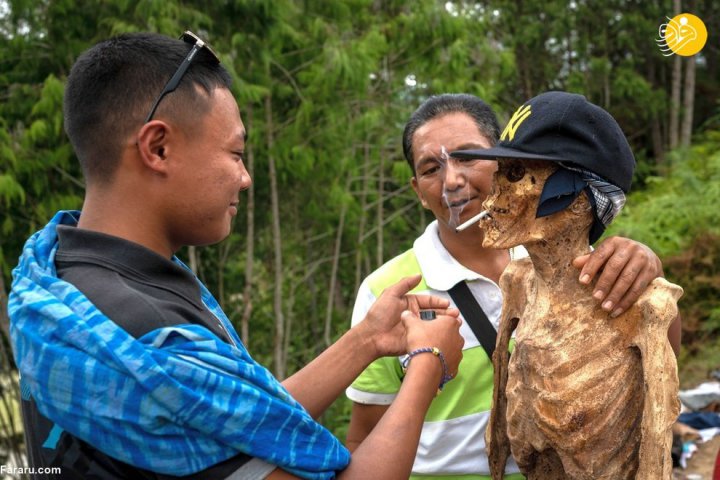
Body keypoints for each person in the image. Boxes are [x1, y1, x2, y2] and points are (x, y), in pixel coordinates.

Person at [8, 31, 466, 480]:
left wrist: (367, 340)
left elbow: (234, 422)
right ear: (158, 148)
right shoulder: (147, 333)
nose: (245, 179)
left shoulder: (68, 275)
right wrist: (427, 364)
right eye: (235, 153)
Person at [345, 93, 682, 479]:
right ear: (418, 190)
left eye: (468, 157)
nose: (452, 180)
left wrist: (647, 271)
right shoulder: (386, 292)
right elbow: (363, 436)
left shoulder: (579, 264)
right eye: (430, 168)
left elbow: (661, 362)